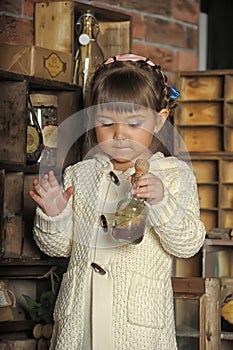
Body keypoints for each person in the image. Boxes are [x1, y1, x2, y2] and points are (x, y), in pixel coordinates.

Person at [30, 53, 206, 350]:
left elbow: (188, 245)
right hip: (79, 326)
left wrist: (161, 202)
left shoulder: (174, 175)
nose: (119, 135)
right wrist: (55, 215)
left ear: (160, 120)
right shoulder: (79, 174)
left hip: (137, 330)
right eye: (107, 122)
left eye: (134, 123)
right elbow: (59, 249)